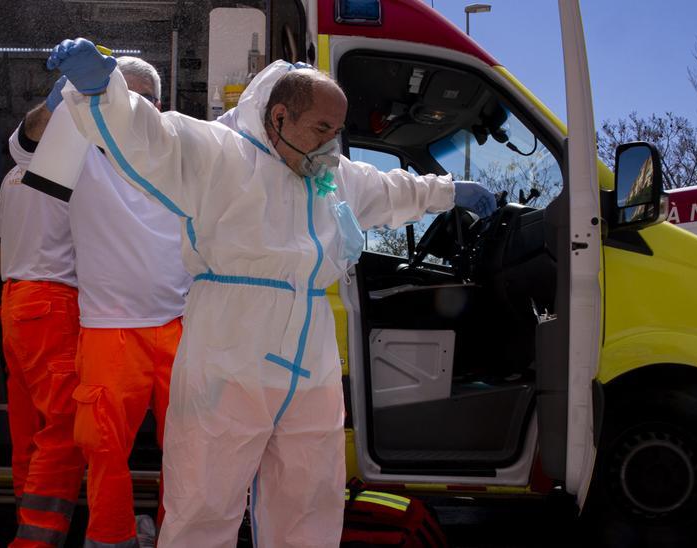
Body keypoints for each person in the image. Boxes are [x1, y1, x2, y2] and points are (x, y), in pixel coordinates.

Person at [47, 38, 497, 547]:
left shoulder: (329, 172)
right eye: (322, 129)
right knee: (204, 501)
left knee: (309, 498)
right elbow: (151, 136)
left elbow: (391, 189)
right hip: (229, 351)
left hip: (310, 360)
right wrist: (102, 89)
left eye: (338, 131)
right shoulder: (218, 153)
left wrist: (447, 192)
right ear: (279, 116)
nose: (333, 144)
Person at [9, 57, 191, 548]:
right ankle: (111, 540)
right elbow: (26, 146)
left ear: (156, 106)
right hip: (109, 331)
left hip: (179, 327)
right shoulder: (80, 155)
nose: (120, 110)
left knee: (189, 451)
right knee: (104, 451)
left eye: (130, 100)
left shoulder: (182, 150)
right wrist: (62, 101)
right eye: (107, 99)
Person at [0, 89, 86, 547]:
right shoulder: (71, 172)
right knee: (65, 427)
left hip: (15, 303)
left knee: (28, 428)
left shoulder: (13, 175)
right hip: (52, 304)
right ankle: (36, 540)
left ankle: (27, 525)